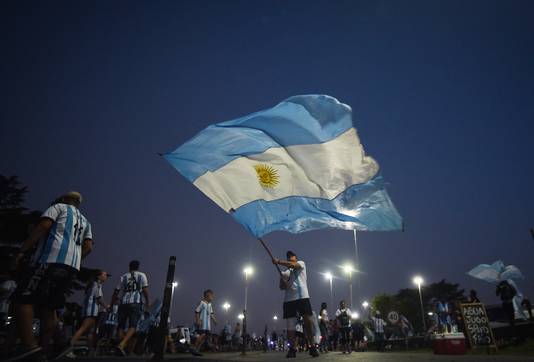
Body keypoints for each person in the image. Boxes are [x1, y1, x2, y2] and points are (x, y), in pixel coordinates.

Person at [12, 191, 93, 361]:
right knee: (49, 307)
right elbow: (88, 246)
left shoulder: (57, 208)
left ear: (64, 199)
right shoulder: (85, 221)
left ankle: (31, 347)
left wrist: (22, 251)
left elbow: (43, 226)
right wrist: (76, 259)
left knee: (22, 299)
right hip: (70, 267)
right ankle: (46, 348)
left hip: (49, 260)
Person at [272, 250, 319, 358]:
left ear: (296, 258)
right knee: (290, 325)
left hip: (302, 296)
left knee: (307, 322)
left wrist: (278, 261)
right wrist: (283, 281)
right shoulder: (285, 272)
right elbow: (282, 287)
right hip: (289, 299)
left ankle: (312, 346)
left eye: (292, 257)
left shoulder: (301, 264)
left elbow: (294, 265)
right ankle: (292, 349)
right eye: (288, 258)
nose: (290, 259)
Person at [58, 270, 110, 359]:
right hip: (91, 311)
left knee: (90, 332)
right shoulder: (97, 285)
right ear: (99, 276)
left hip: (88, 310)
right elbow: (99, 299)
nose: (106, 277)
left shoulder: (92, 284)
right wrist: (107, 307)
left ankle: (91, 352)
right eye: (105, 275)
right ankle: (67, 348)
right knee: (84, 328)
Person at [112, 260, 150, 356]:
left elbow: (116, 291)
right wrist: (147, 301)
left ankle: (120, 345)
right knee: (133, 325)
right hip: (135, 302)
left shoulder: (123, 276)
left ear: (129, 267)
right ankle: (122, 344)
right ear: (138, 267)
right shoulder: (142, 275)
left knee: (121, 325)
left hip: (123, 302)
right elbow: (145, 290)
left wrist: (112, 303)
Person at [191, 289, 217, 356]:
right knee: (202, 335)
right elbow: (197, 311)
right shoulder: (202, 303)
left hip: (208, 324)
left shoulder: (210, 305)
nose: (212, 297)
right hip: (202, 323)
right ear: (207, 295)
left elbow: (211, 313)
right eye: (211, 296)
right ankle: (193, 348)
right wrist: (198, 320)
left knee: (204, 337)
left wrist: (214, 320)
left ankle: (197, 350)